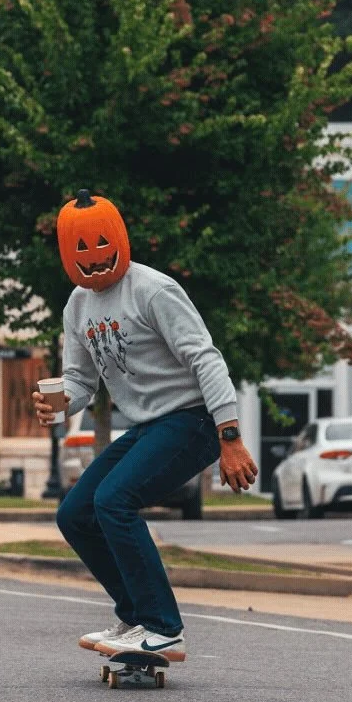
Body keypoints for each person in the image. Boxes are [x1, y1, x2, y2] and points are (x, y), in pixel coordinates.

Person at [33, 189, 258, 661]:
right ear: (64, 252)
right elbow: (80, 381)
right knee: (75, 512)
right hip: (147, 425)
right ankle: (135, 615)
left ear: (118, 238)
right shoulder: (76, 307)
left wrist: (230, 437)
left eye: (100, 243)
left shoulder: (153, 290)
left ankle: (162, 626)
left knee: (114, 501)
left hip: (192, 419)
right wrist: (59, 403)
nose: (93, 256)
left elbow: (206, 358)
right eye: (80, 248)